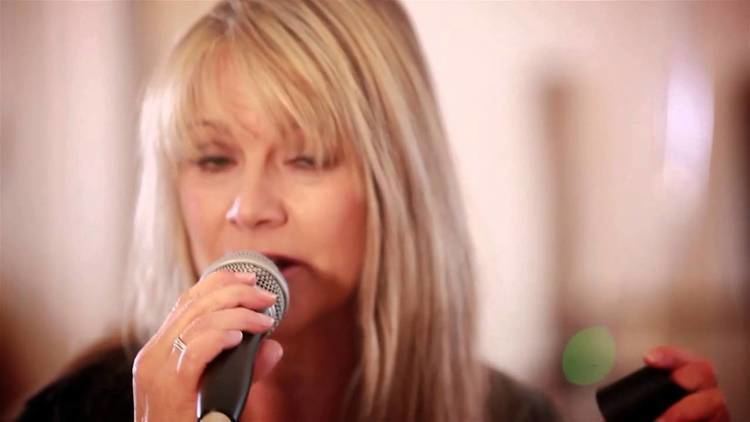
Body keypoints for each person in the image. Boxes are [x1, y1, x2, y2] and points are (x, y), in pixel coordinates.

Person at [16, 1, 729, 421]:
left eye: (308, 157)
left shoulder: (506, 416)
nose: (249, 208)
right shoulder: (78, 411)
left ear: (398, 185)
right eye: (212, 160)